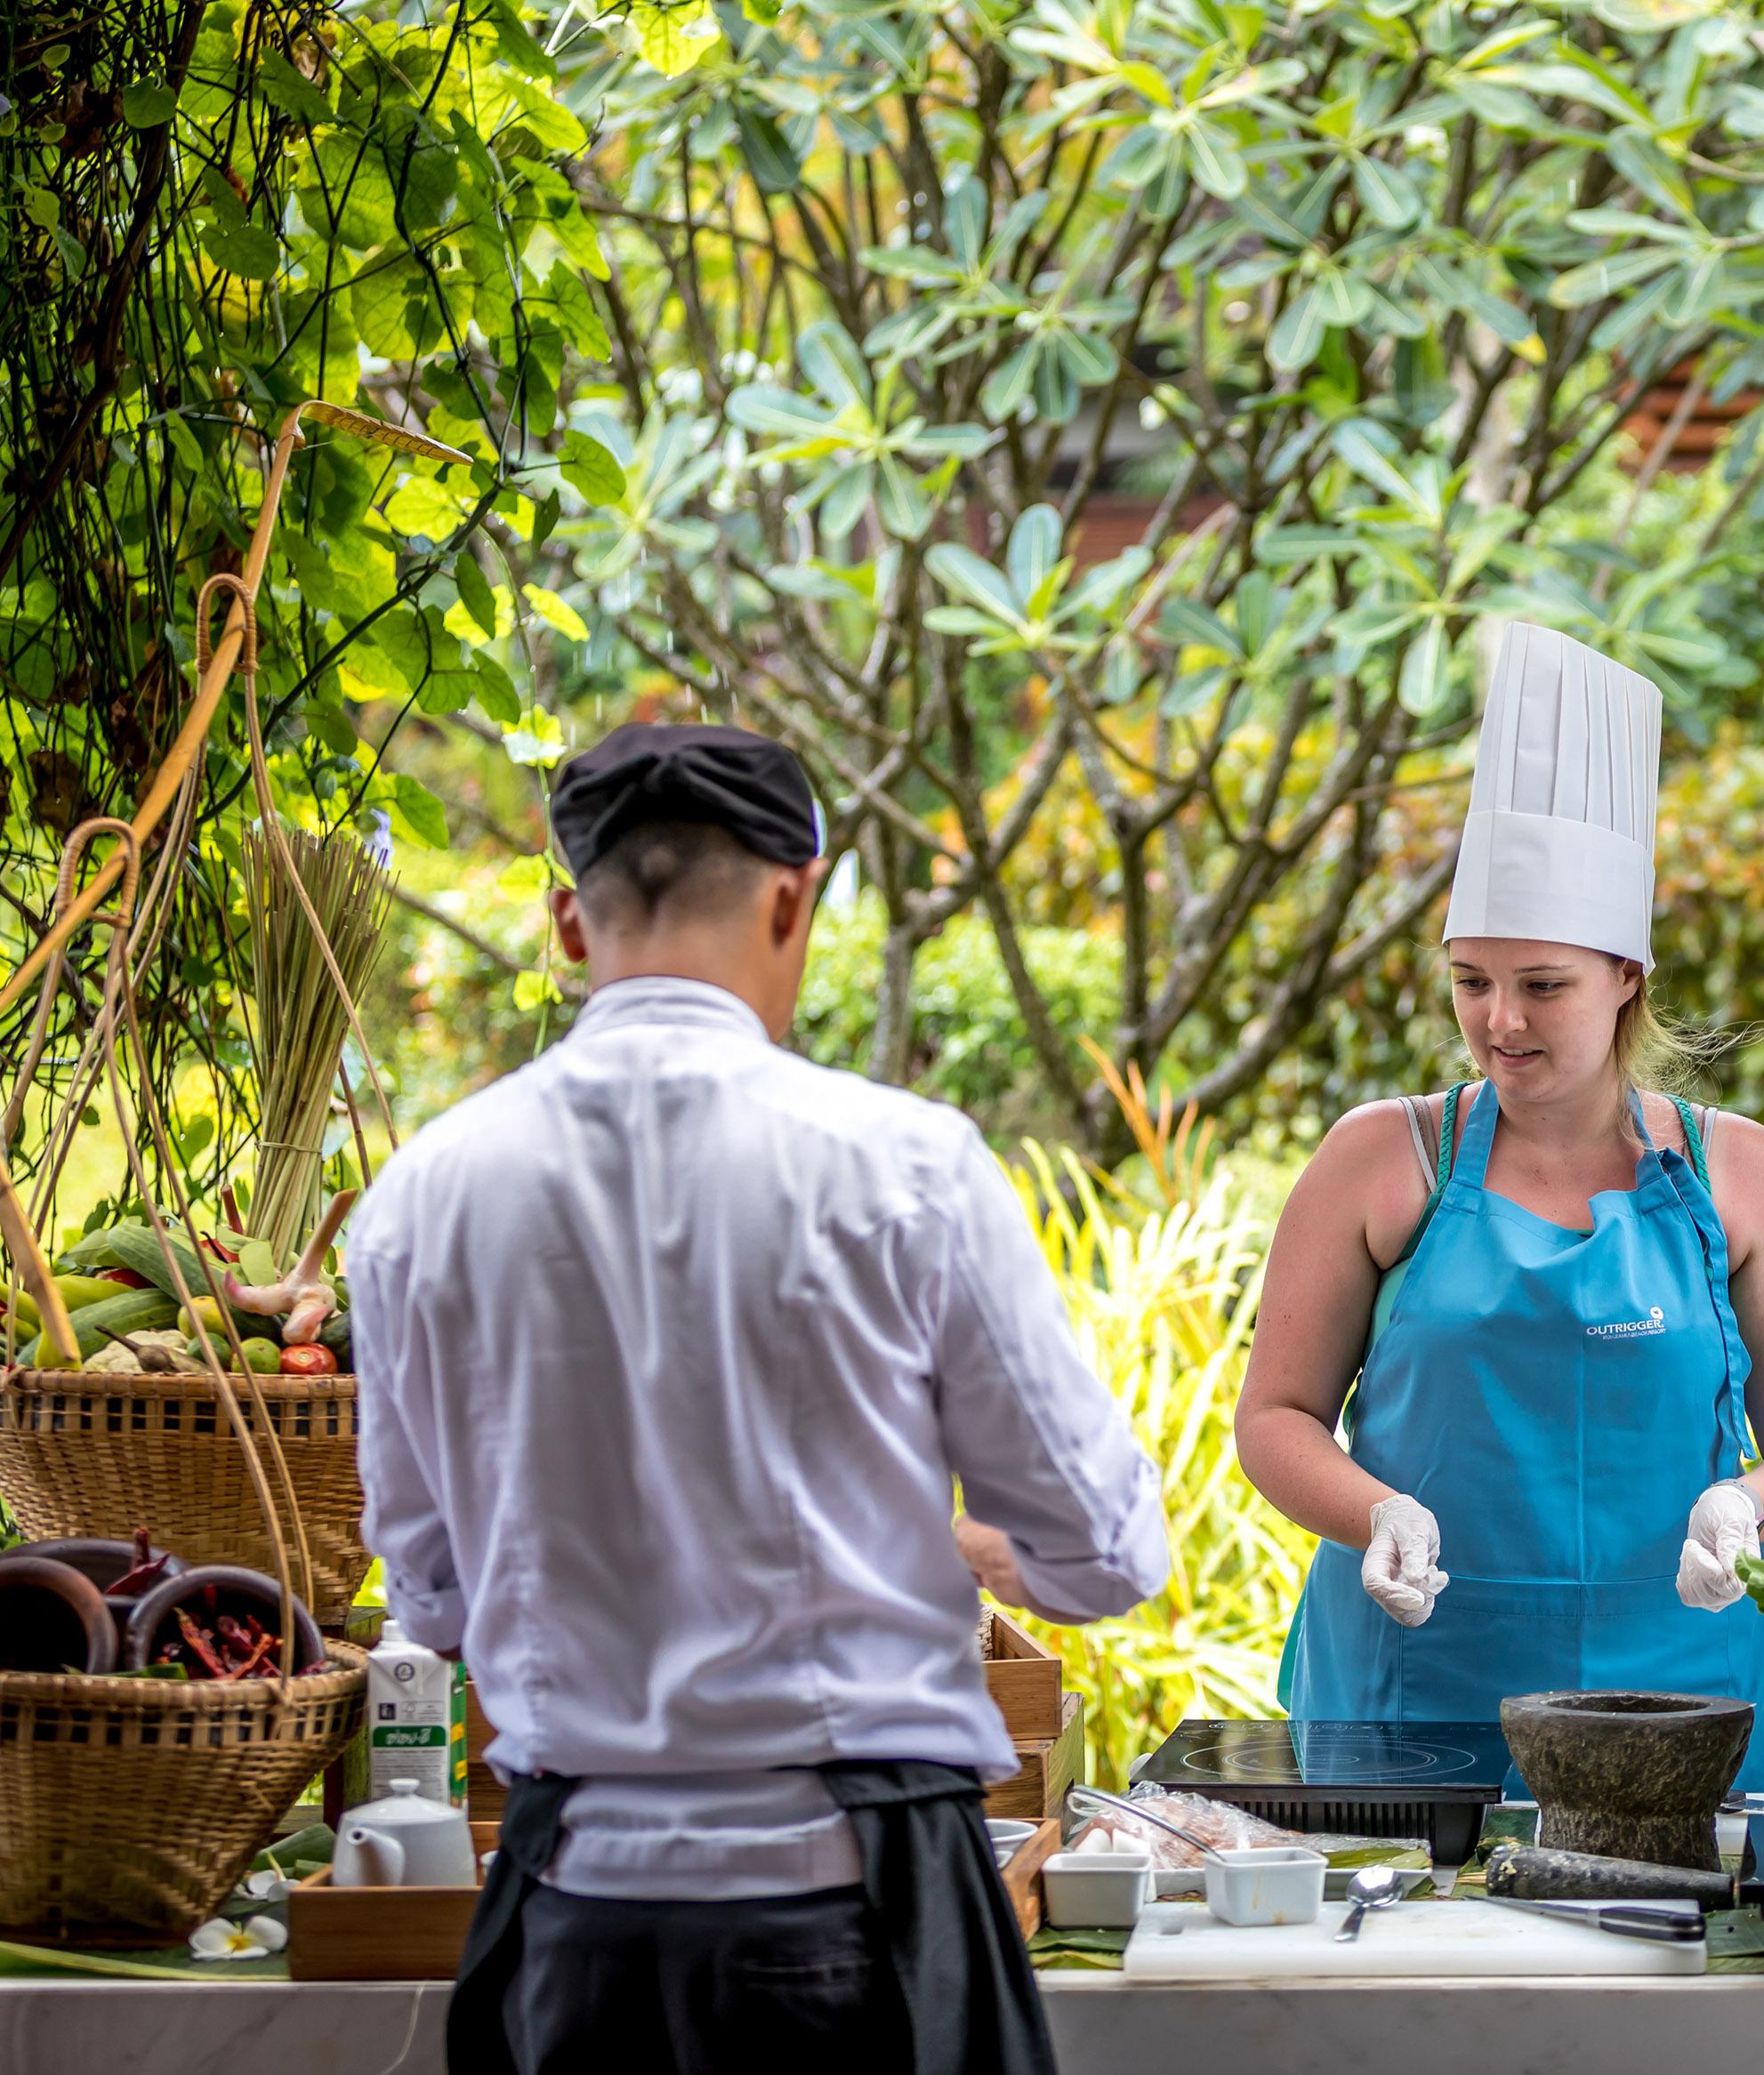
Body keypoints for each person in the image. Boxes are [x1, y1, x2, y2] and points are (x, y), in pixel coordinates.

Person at [352, 721, 1167, 2075]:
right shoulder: (905, 1167)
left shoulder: (421, 1202)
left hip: (578, 1928)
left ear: (569, 921)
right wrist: (950, 1540)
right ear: (796, 896)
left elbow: (429, 1601)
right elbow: (1105, 1555)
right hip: (854, 1925)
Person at [1236, 625, 1764, 1792]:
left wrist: (1748, 1503)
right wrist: (1374, 1511)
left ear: (1629, 972)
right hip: (1419, 1692)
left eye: (1543, 985)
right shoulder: (1383, 1160)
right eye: (1471, 979)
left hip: (1687, 1692)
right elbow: (1275, 1412)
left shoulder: (1745, 1173)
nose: (1500, 1020)